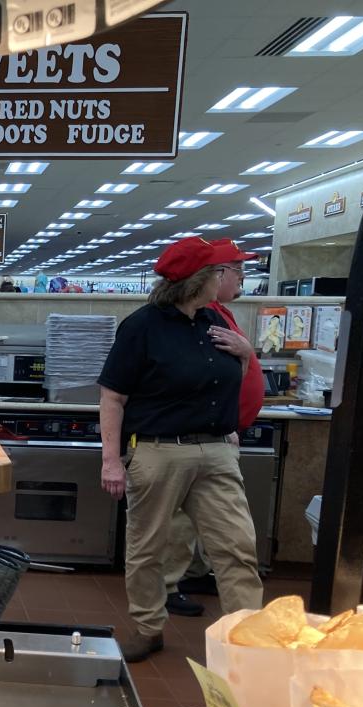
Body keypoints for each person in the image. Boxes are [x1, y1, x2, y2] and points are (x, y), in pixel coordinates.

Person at [98, 236, 263, 662]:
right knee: (148, 548)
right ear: (201, 279)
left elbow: (227, 379)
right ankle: (148, 628)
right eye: (221, 272)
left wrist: (247, 355)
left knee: (237, 548)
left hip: (217, 451)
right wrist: (111, 461)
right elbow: (113, 397)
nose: (226, 278)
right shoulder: (142, 326)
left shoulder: (215, 320)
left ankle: (246, 644)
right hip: (159, 452)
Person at [163, 239, 267, 616]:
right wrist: (221, 422)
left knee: (212, 525)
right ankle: (168, 586)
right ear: (214, 275)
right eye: (237, 270)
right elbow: (202, 379)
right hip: (202, 438)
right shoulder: (202, 316)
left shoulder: (220, 313)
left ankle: (193, 574)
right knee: (180, 519)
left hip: (219, 434)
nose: (242, 278)